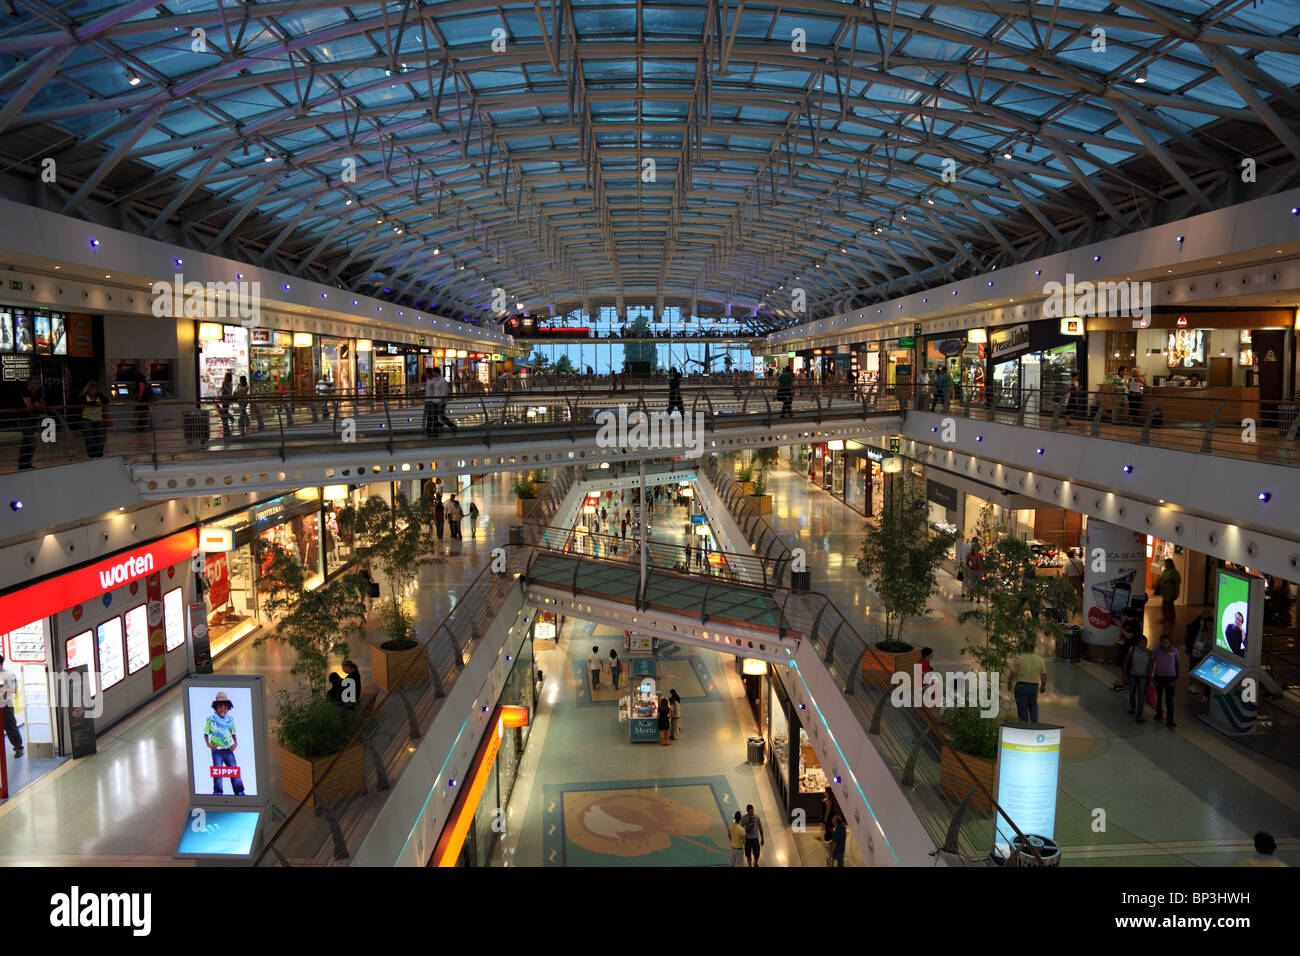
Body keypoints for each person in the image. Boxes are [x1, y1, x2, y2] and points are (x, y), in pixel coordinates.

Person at [204, 692, 246, 796]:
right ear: (216, 707)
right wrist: (208, 744)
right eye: (220, 707)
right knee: (218, 771)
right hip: (217, 750)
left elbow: (233, 732)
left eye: (225, 707)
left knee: (233, 769)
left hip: (228, 749)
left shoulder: (230, 721)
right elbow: (206, 733)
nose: (223, 709)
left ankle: (239, 791)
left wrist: (235, 743)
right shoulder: (211, 720)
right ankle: (218, 792)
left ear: (228, 708)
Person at [1009, 639, 1047, 723]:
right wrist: (1043, 685)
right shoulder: (1039, 659)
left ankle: (1024, 725)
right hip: (1034, 686)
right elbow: (1043, 674)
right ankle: (1034, 724)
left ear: (1023, 648)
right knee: (1033, 706)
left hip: (1021, 686)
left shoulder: (1019, 658)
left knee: (1022, 707)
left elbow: (1013, 672)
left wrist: (1009, 683)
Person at [14, 375, 46, 470]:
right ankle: (23, 463)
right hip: (25, 420)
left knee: (27, 441)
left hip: (32, 420)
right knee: (31, 441)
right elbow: (30, 407)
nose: (38, 385)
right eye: (36, 383)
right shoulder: (26, 392)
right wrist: (37, 405)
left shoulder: (36, 394)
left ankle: (25, 464)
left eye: (39, 383)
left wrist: (37, 405)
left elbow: (43, 406)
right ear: (29, 384)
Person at [1151, 633, 1179, 729]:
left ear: (1169, 643)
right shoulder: (1156, 650)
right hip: (1158, 677)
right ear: (1160, 642)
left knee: (1170, 699)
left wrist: (1178, 673)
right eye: (1162, 642)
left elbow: (1177, 662)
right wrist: (1151, 675)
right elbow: (1152, 663)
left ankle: (1170, 720)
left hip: (1171, 678)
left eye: (1166, 642)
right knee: (1158, 696)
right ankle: (1159, 713)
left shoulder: (1174, 651)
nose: (1164, 644)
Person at [1124, 635, 1153, 722]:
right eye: (1142, 643)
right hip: (1132, 675)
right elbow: (1126, 661)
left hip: (1143, 676)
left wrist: (1150, 677)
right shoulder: (1132, 649)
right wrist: (1124, 673)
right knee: (1132, 693)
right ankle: (1133, 708)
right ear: (1138, 643)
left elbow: (1151, 665)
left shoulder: (1149, 652)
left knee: (1141, 695)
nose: (1144, 645)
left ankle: (1139, 716)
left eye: (1145, 643)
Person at [0, 654, 23, 757]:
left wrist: (3, 690)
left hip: (6, 705)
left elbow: (14, 690)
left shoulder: (9, 675)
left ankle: (18, 748)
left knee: (10, 727)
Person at [80, 380, 109, 459]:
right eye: (93, 389)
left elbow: (106, 401)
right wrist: (95, 403)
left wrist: (100, 394)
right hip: (87, 420)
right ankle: (91, 456)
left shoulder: (100, 395)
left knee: (101, 439)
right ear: (89, 389)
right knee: (89, 439)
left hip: (99, 420)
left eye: (97, 389)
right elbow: (82, 403)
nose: (95, 390)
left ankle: (99, 455)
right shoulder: (83, 396)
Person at [430, 366, 456, 435]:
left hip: (440, 401)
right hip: (435, 401)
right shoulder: (435, 380)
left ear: (436, 372)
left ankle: (452, 426)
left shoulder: (442, 380)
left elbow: (444, 392)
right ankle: (437, 428)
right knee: (434, 416)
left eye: (433, 372)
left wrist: (441, 401)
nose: (432, 374)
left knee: (441, 416)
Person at [1155, 558, 1181, 623]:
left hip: (1170, 592)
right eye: (1165, 563)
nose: (1166, 564)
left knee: (1168, 605)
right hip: (1164, 592)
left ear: (1171, 564)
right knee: (1167, 605)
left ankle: (1168, 617)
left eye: (1167, 563)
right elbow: (1161, 578)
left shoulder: (1175, 573)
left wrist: (1176, 592)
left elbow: (1177, 583)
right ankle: (1170, 617)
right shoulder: (1165, 571)